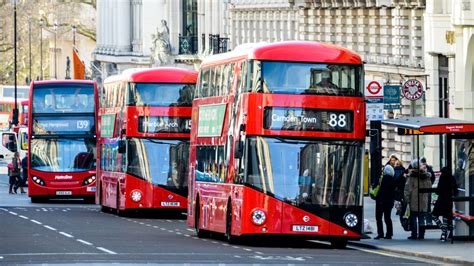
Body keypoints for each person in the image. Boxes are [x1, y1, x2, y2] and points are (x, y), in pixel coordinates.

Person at [404, 159, 432, 240]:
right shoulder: (426, 176)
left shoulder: (411, 176)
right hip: (423, 200)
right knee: (422, 218)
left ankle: (414, 234)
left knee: (413, 218)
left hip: (414, 200)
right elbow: (429, 187)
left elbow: (407, 189)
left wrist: (406, 199)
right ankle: (421, 234)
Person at [432, 167, 456, 242]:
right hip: (449, 200)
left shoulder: (442, 178)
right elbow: (455, 188)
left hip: (441, 200)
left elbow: (438, 190)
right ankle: (444, 234)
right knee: (445, 216)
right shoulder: (451, 178)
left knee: (434, 215)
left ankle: (443, 230)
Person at [374, 165, 395, 239]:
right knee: (388, 217)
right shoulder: (393, 180)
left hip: (381, 201)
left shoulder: (382, 179)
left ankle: (380, 233)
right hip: (389, 202)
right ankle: (389, 234)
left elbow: (379, 189)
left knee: (379, 218)